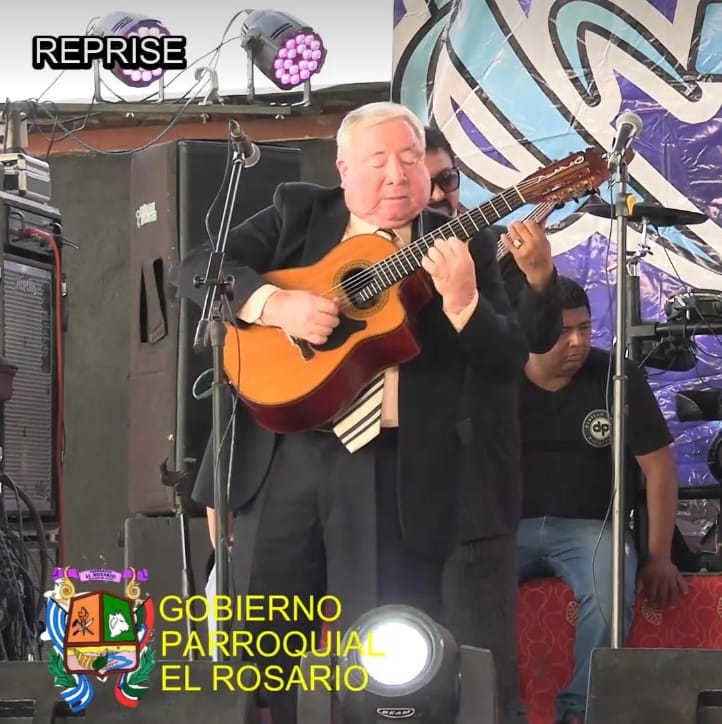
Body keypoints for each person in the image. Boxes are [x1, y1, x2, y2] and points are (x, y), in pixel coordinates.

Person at [177, 101, 533, 724]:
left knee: (379, 656)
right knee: (258, 648)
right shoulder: (298, 212)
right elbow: (196, 269)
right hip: (284, 453)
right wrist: (276, 305)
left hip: (389, 468)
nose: (397, 174)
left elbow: (507, 359)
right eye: (378, 160)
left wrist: (464, 304)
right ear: (343, 169)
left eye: (410, 159)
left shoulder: (465, 241)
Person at [421, 126, 563, 724]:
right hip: (386, 485)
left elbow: (529, 343)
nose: (439, 194)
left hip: (473, 485)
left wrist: (539, 279)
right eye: (425, 182)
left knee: (482, 667)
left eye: (448, 179)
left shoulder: (482, 245)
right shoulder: (361, 252)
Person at [517, 276, 686, 724]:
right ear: (531, 332)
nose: (577, 342)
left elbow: (659, 470)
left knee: (611, 583)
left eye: (585, 328)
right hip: (508, 529)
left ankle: (580, 711)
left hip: (590, 531)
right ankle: (492, 707)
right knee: (466, 588)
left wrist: (659, 556)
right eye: (563, 332)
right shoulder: (497, 376)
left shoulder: (617, 376)